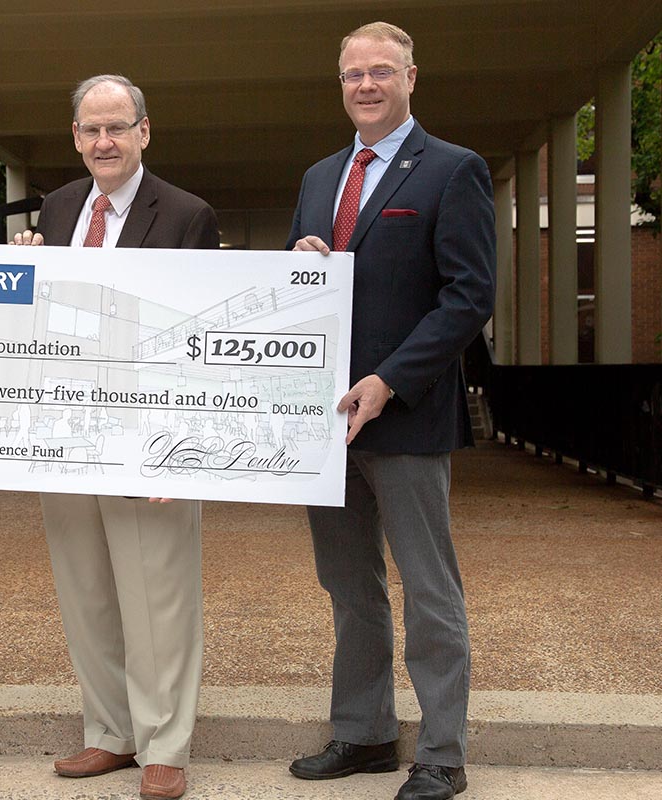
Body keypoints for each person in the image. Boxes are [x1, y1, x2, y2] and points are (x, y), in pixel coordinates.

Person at [286, 23, 496, 800]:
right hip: (325, 422)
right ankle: (364, 732)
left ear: (411, 77)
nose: (365, 85)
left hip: (404, 416)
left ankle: (441, 752)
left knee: (428, 587)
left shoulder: (453, 170)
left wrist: (390, 379)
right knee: (349, 585)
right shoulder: (318, 177)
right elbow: (304, 296)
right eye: (352, 74)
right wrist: (297, 265)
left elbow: (469, 295)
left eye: (381, 71)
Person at [13, 74, 220, 800]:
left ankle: (165, 743)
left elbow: (202, 337)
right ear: (76, 138)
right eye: (91, 130)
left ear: (144, 132)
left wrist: (186, 445)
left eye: (117, 127)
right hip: (67, 433)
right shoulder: (61, 205)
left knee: (158, 591)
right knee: (86, 587)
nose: (104, 141)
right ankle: (110, 732)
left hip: (150, 436)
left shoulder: (190, 215)